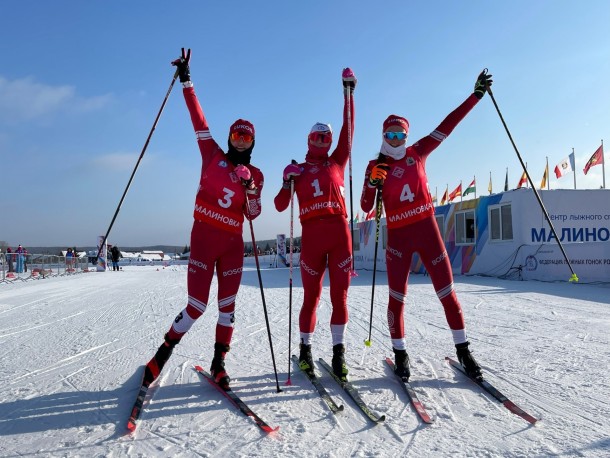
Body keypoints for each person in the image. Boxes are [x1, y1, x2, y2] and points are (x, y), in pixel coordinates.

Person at [142, 49, 264, 391]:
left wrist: (251, 187)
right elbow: (198, 119)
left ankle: (219, 363)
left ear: (252, 142)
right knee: (196, 306)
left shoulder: (255, 173)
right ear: (229, 138)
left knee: (228, 308)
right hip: (204, 239)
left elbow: (253, 214)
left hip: (232, 247)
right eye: (236, 137)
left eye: (246, 138)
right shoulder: (211, 154)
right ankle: (162, 354)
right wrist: (186, 79)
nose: (240, 142)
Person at [360, 70, 493, 381]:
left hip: (427, 231)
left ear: (407, 136)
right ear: (383, 136)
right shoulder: (375, 165)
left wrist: (474, 96)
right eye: (390, 135)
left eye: (400, 135)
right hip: (398, 239)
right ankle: (401, 353)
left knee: (447, 293)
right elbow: (366, 206)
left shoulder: (417, 153)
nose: (396, 140)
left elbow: (447, 126)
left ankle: (463, 350)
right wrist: (370, 182)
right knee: (397, 298)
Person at [274, 68, 356, 381]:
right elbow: (280, 205)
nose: (323, 141)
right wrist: (285, 181)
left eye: (327, 138)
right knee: (311, 298)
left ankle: (338, 353)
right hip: (312, 237)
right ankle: (306, 349)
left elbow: (349, 130)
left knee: (340, 298)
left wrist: (348, 93)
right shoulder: (299, 170)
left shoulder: (337, 161)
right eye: (317, 137)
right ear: (308, 139)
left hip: (339, 234)